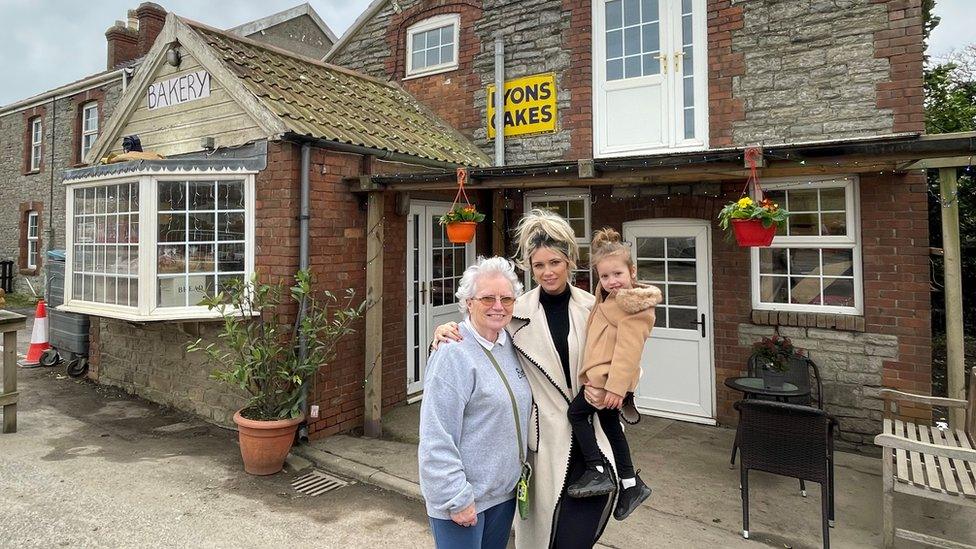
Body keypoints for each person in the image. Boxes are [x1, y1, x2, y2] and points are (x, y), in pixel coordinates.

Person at [433, 209, 624, 549]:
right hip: (545, 449)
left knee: (576, 540)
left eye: (555, 262)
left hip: (592, 443)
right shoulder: (513, 311)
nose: (547, 272)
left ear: (569, 261)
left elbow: (627, 354)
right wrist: (445, 330)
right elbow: (480, 325)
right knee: (544, 538)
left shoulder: (595, 307)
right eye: (538, 266)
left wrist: (618, 386)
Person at [419, 256, 531, 549]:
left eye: (506, 298)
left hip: (502, 496)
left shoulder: (512, 343)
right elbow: (435, 435)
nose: (498, 305)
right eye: (487, 298)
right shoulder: (452, 353)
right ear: (468, 302)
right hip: (463, 499)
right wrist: (456, 498)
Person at [565, 228, 660, 520]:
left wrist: (617, 389)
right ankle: (631, 485)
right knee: (611, 429)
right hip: (603, 380)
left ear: (632, 271)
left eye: (617, 274)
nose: (611, 282)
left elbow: (629, 352)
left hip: (606, 382)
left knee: (576, 415)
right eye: (604, 277)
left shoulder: (634, 307)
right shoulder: (608, 299)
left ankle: (596, 469)